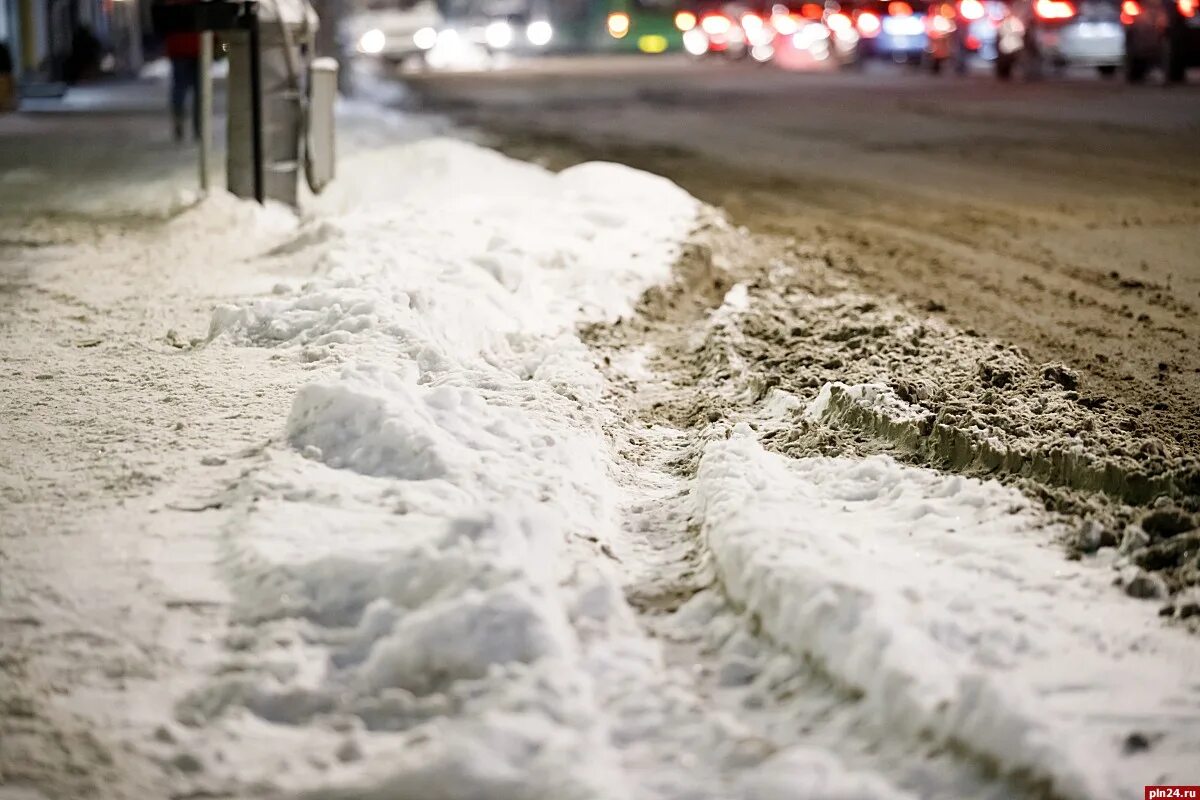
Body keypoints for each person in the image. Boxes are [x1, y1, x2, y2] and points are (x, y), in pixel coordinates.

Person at [166, 30, 201, 141]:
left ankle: (178, 121)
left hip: (178, 47)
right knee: (199, 92)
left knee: (179, 89)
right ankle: (198, 127)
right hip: (198, 46)